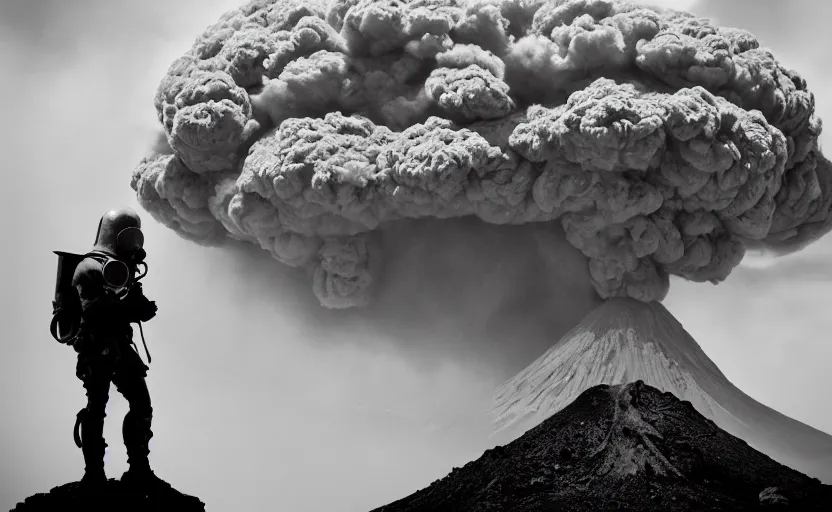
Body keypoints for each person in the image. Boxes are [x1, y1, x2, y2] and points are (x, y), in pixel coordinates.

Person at [71, 207, 169, 492]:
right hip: (96, 346)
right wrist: (130, 310)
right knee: (96, 409)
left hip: (119, 345)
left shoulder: (123, 268)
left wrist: (140, 308)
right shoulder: (88, 268)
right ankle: (94, 475)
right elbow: (92, 310)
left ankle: (139, 468)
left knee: (141, 404)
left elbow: (134, 300)